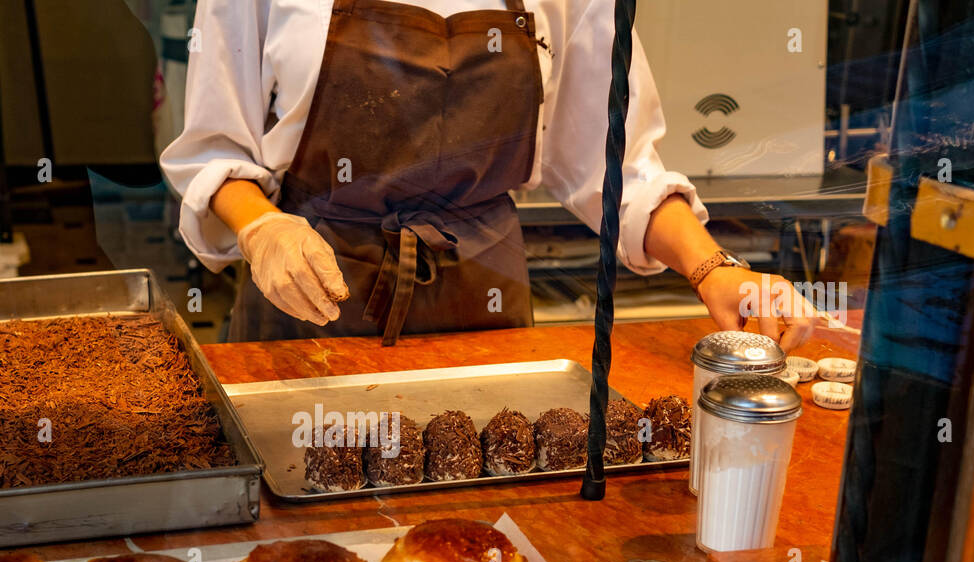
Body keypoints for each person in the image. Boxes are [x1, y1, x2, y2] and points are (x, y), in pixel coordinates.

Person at [161, 0, 819, 348]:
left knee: (491, 547)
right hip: (308, 302)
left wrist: (714, 269)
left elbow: (614, 167)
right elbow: (214, 150)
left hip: (483, 306)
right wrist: (262, 227)